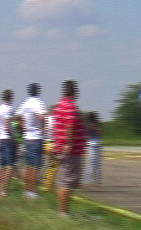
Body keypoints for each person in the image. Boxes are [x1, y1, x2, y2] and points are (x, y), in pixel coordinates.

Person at [52, 80, 87, 216]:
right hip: (70, 151)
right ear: (74, 92)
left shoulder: (59, 106)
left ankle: (63, 210)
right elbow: (69, 126)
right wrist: (68, 144)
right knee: (67, 181)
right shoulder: (70, 107)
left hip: (61, 147)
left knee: (63, 179)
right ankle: (63, 211)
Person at [16, 83, 46, 198]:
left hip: (27, 137)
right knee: (35, 166)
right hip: (36, 137)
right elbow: (42, 117)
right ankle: (32, 191)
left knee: (28, 165)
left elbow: (17, 116)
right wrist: (42, 129)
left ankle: (26, 190)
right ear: (38, 91)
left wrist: (22, 125)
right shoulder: (38, 102)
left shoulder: (25, 103)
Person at [0, 89, 16, 197]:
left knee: (1, 165)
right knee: (9, 166)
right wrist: (13, 139)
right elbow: (7, 125)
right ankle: (4, 190)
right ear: (11, 98)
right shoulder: (9, 109)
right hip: (7, 139)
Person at [83, 111, 102, 185]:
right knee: (91, 164)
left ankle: (96, 181)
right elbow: (98, 131)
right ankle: (86, 180)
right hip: (91, 145)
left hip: (95, 145)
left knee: (95, 164)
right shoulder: (89, 125)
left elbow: (99, 132)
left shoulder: (91, 125)